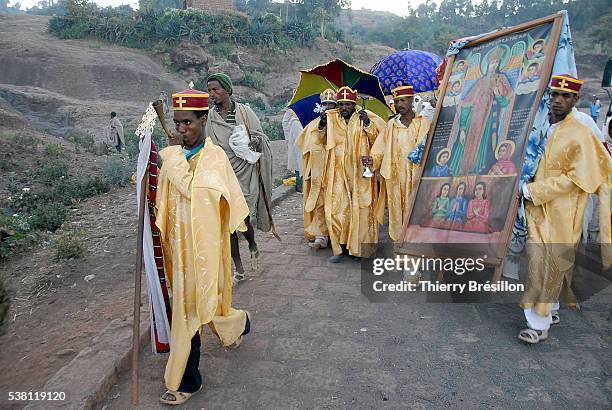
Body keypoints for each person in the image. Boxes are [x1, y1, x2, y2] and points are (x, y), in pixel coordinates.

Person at [155, 86, 251, 405]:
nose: (182, 130)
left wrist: (247, 236)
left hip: (207, 250)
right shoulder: (173, 158)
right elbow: (165, 199)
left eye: (188, 123)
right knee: (198, 308)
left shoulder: (214, 158)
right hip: (180, 252)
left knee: (194, 310)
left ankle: (187, 380)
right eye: (178, 123)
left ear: (204, 119)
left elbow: (218, 200)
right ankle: (238, 324)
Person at [518, 75, 612, 344]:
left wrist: (532, 191)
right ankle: (539, 321)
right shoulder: (540, 127)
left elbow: (577, 177)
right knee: (538, 262)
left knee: (554, 262)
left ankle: (545, 314)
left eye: (565, 96)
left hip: (563, 211)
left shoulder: (581, 133)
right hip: (535, 209)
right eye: (554, 94)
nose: (558, 100)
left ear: (575, 100)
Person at [205, 73, 273, 284]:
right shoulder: (210, 117)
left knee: (241, 220)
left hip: (245, 174)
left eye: (215, 89)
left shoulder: (245, 112)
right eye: (209, 91)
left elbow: (261, 138)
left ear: (227, 90)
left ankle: (252, 243)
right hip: (222, 175)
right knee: (228, 225)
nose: (212, 94)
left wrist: (254, 142)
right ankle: (239, 269)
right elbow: (208, 145)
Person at [319, 86, 386, 262]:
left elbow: (379, 140)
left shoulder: (366, 116)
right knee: (337, 210)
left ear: (354, 104)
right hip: (339, 173)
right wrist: (322, 124)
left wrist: (369, 125)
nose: (344, 108)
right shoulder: (332, 119)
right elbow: (321, 140)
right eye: (341, 104)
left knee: (362, 210)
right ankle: (341, 248)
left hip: (360, 172)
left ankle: (360, 249)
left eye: (348, 104)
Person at [364, 85, 431, 242]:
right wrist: (372, 160)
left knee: (417, 211)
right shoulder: (391, 126)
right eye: (396, 101)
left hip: (417, 177)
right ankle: (399, 247)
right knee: (396, 213)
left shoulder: (423, 123)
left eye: (403, 100)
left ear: (411, 100)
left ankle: (415, 248)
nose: (399, 104)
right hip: (395, 179)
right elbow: (379, 149)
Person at [448, 46, 513, 175]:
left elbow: (505, 102)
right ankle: (460, 173)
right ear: (487, 64)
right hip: (472, 120)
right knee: (464, 143)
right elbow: (466, 105)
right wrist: (462, 128)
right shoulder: (480, 82)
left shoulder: (501, 79)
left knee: (482, 145)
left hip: (488, 119)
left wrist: (497, 94)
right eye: (492, 62)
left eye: (496, 62)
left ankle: (475, 172)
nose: (493, 65)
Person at [295, 88, 337, 249]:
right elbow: (305, 148)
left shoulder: (342, 125)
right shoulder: (313, 125)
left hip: (336, 171)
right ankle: (321, 236)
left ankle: (338, 236)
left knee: (336, 203)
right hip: (318, 172)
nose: (327, 107)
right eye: (324, 104)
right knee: (319, 203)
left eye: (331, 104)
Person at [282, 108, 304, 192]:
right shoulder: (293, 110)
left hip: (301, 134)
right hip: (296, 134)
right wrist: (288, 138)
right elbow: (285, 122)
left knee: (301, 161)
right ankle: (301, 184)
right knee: (299, 161)